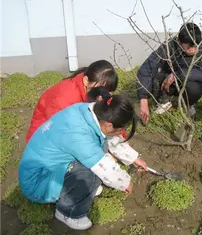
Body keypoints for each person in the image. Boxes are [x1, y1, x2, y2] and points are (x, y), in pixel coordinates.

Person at [19, 94, 148, 230]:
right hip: (37, 183)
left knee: (100, 149)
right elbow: (104, 167)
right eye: (121, 129)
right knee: (91, 174)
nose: (122, 132)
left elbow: (107, 137)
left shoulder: (87, 112)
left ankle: (76, 190)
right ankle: (67, 213)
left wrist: (133, 158)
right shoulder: (79, 135)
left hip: (47, 168)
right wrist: (126, 182)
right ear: (109, 125)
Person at [26, 60, 126, 142]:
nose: (102, 96)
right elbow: (64, 133)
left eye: (107, 91)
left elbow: (110, 112)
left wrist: (118, 133)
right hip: (44, 138)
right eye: (100, 89)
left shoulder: (94, 89)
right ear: (86, 81)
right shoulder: (64, 99)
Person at [136, 22, 202, 123]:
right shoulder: (169, 46)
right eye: (189, 47)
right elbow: (145, 69)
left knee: (194, 89)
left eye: (195, 45)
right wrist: (143, 100)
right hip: (166, 83)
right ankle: (164, 101)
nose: (193, 50)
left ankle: (189, 103)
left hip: (186, 82)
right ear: (179, 41)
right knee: (155, 72)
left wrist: (177, 74)